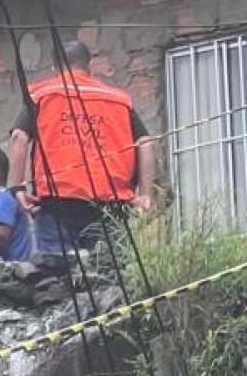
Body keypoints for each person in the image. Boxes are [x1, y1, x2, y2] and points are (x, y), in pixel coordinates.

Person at [9, 41, 155, 271]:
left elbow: (19, 138)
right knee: (112, 275)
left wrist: (17, 188)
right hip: (110, 205)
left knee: (58, 278)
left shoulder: (42, 94)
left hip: (57, 203)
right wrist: (145, 194)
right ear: (90, 66)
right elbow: (145, 143)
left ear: (56, 67)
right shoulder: (118, 98)